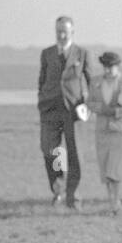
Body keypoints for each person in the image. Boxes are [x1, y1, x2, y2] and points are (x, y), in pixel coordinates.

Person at [37, 16, 91, 210]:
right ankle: (58, 187)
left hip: (73, 111)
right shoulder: (47, 54)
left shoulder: (82, 54)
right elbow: (42, 80)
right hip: (50, 110)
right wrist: (42, 100)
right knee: (51, 150)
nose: (61, 35)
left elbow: (91, 82)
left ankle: (73, 196)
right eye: (58, 31)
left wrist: (87, 105)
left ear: (72, 32)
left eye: (65, 32)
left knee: (75, 154)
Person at [87, 51, 122, 214]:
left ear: (117, 66)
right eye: (105, 66)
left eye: (111, 66)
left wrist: (116, 112)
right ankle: (112, 200)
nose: (108, 70)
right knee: (104, 167)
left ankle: (115, 202)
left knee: (114, 167)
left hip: (119, 131)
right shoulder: (95, 82)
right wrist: (101, 109)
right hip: (102, 131)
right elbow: (89, 103)